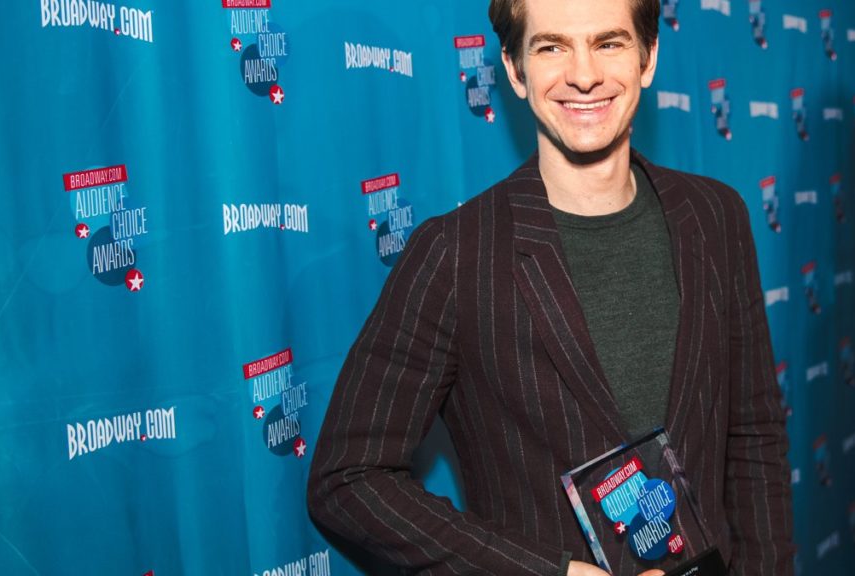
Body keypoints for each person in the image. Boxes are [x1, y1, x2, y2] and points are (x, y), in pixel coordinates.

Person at [307, 0, 794, 574]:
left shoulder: (716, 216)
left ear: (649, 56)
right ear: (514, 68)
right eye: (552, 46)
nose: (584, 75)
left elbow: (754, 439)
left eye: (609, 42)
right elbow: (347, 478)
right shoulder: (455, 255)